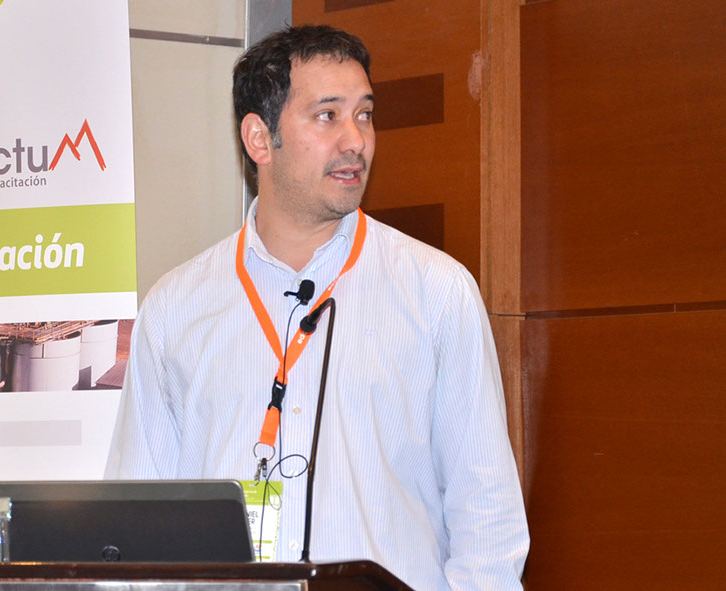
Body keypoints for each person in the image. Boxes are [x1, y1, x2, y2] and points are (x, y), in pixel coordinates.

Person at [106, 25, 529, 591]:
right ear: (260, 139)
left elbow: (487, 519)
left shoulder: (436, 292)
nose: (356, 140)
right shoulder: (176, 308)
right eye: (328, 116)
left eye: (364, 114)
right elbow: (138, 525)